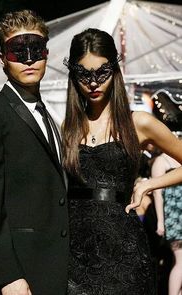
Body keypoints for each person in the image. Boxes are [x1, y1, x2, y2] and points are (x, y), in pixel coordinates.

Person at [62, 28, 182, 295]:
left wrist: (150, 184)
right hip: (74, 255)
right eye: (84, 74)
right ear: (73, 75)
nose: (93, 82)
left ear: (115, 71)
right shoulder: (67, 129)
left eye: (101, 72)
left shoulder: (138, 122)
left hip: (124, 253)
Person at [0, 10, 68, 295]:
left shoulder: (50, 117)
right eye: (18, 51)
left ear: (47, 54)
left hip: (53, 270)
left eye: (36, 50)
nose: (29, 58)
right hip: (18, 277)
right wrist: (7, 276)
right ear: (2, 59)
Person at [151, 152, 182, 295]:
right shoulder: (161, 161)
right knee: (181, 261)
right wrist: (161, 222)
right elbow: (157, 193)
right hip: (175, 215)